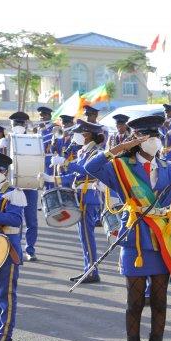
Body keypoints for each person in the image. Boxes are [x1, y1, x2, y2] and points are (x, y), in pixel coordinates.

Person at [83, 116, 171, 341]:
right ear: (136, 140)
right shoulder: (121, 167)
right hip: (136, 243)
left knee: (160, 304)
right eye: (147, 136)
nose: (154, 140)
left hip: (161, 241)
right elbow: (91, 165)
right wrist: (120, 148)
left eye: (156, 135)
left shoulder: (168, 167)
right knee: (133, 304)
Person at [46, 119, 106, 285]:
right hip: (80, 196)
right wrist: (52, 178)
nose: (75, 136)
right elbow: (75, 176)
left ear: (87, 135)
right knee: (83, 236)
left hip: (89, 197)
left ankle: (92, 271)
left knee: (87, 236)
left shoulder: (96, 153)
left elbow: (87, 171)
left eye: (79, 133)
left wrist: (66, 163)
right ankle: (89, 268)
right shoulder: (83, 152)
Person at [0, 150, 26, 341]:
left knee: (6, 294)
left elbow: (16, 220)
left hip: (7, 247)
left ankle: (5, 336)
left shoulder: (13, 192)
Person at [6, 112, 40, 263]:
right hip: (12, 187)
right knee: (15, 220)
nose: (19, 127)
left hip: (30, 186)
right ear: (12, 126)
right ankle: (15, 248)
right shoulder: (6, 142)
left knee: (31, 221)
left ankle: (30, 250)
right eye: (16, 124)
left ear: (25, 125)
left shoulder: (33, 140)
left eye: (21, 124)